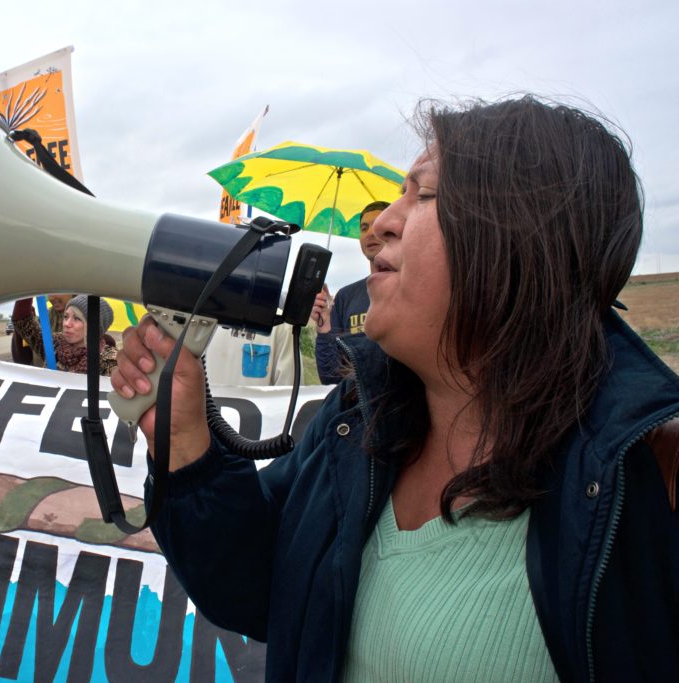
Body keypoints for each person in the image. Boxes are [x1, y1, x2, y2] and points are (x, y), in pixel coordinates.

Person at [111, 96, 678, 681]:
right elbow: (255, 591)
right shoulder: (356, 423)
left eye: (424, 194)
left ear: (520, 239)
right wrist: (186, 445)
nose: (382, 222)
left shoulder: (647, 482)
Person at [312, 200, 390, 385]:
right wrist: (324, 326)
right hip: (354, 407)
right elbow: (330, 376)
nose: (370, 233)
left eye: (378, 225)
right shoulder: (346, 297)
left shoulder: (413, 290)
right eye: (364, 228)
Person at [12, 294, 117, 375]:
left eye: (77, 318)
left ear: (95, 326)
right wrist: (31, 285)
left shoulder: (110, 360)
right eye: (66, 317)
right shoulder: (54, 344)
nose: (67, 324)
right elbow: (22, 321)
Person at [202, 323, 300, 386]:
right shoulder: (203, 316)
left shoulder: (281, 326)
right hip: (206, 414)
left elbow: (287, 391)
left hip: (258, 417)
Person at [10, 293, 74, 366]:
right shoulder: (44, 319)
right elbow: (22, 360)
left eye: (56, 290)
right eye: (49, 292)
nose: (50, 298)